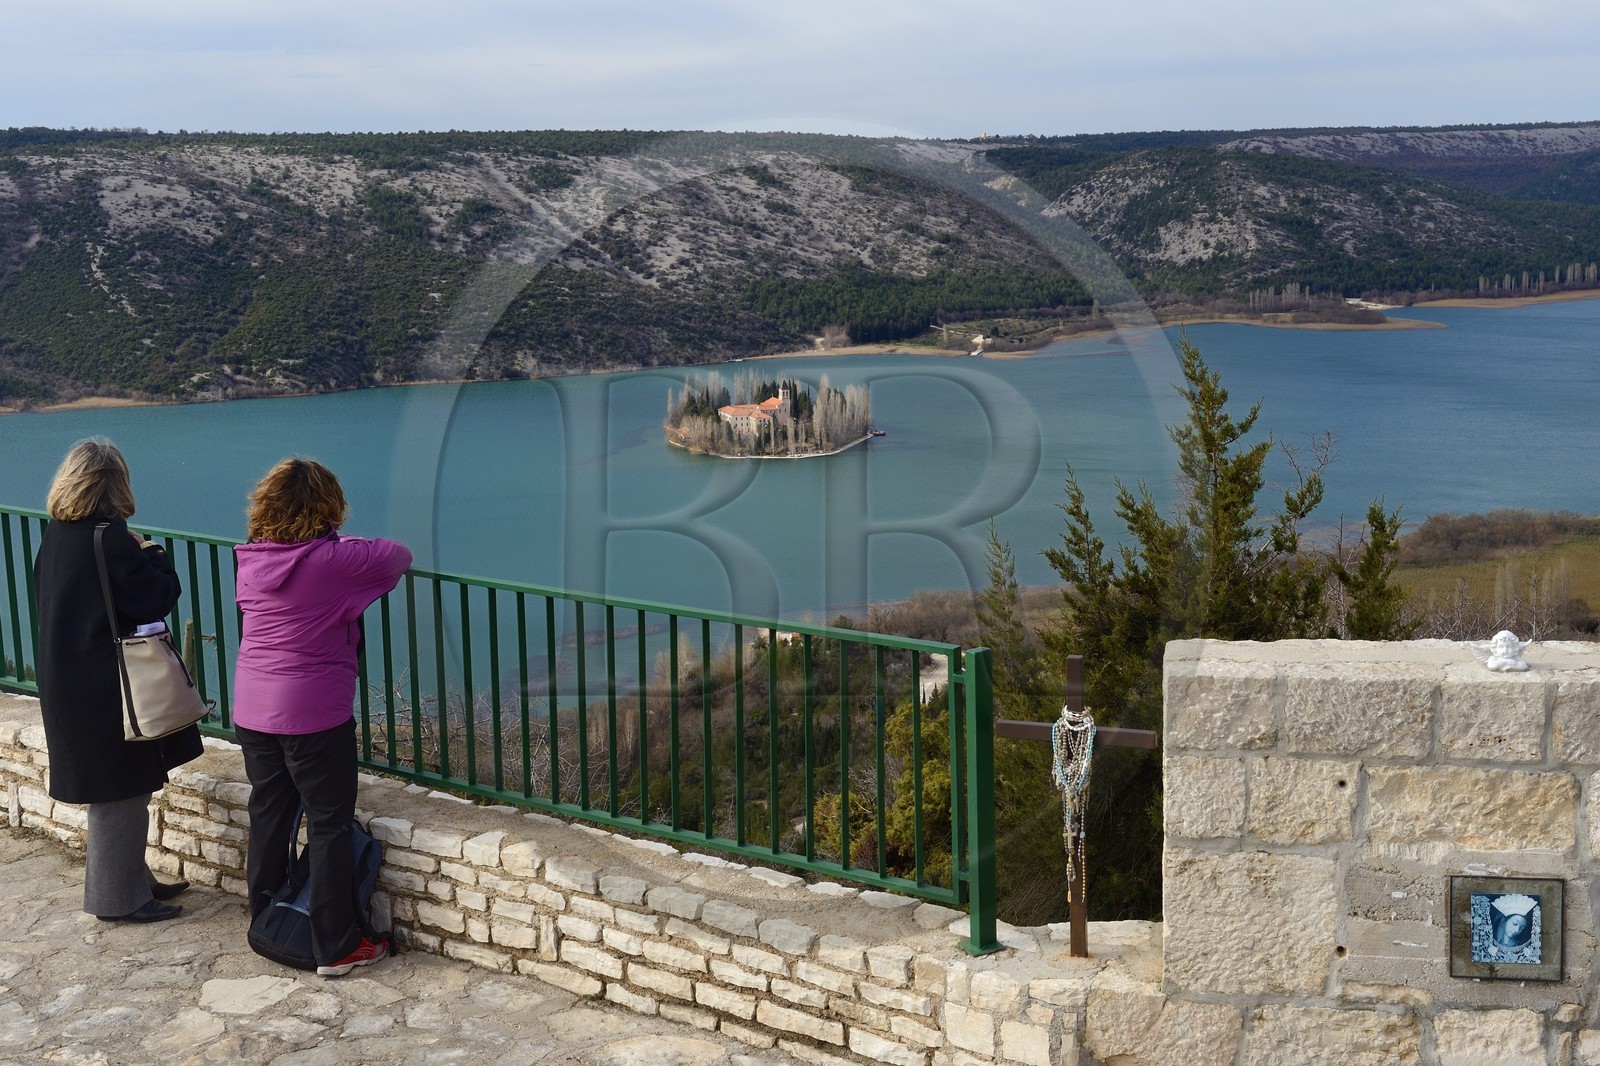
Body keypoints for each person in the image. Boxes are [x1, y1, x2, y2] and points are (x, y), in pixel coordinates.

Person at [232, 457, 411, 977]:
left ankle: (267, 916)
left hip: (253, 706)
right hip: (312, 712)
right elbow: (397, 555)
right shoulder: (334, 563)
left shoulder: (249, 558)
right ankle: (334, 947)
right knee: (329, 824)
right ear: (329, 508)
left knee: (269, 810)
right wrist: (340, 541)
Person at [33, 438, 202, 923]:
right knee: (120, 793)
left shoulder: (59, 534)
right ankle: (116, 900)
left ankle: (133, 879)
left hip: (70, 678)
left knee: (121, 785)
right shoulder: (110, 539)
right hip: (108, 685)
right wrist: (152, 551)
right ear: (116, 483)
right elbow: (155, 596)